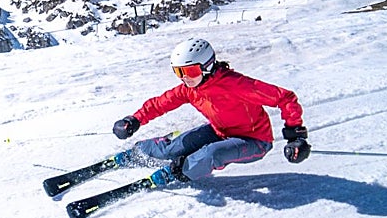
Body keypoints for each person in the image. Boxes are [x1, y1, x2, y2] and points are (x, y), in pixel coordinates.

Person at [112, 38, 310, 186]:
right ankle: (136, 152)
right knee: (175, 147)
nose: (184, 78)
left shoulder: (236, 84)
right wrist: (134, 120)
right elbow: (160, 103)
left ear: (206, 66)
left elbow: (285, 97)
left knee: (210, 154)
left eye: (189, 72)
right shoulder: (190, 89)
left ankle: (178, 172)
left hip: (254, 141)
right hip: (220, 131)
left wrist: (296, 136)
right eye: (179, 72)